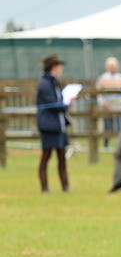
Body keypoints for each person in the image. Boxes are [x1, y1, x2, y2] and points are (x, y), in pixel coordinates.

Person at [36, 55, 74, 192]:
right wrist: (66, 104)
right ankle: (44, 187)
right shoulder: (44, 84)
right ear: (54, 68)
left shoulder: (55, 83)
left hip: (59, 126)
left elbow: (60, 102)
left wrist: (67, 102)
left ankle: (65, 187)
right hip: (49, 126)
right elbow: (53, 105)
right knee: (46, 157)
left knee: (62, 157)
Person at [96, 56, 121, 148]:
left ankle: (120, 144)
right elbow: (98, 92)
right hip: (107, 105)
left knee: (120, 126)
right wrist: (103, 102)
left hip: (118, 105)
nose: (112, 68)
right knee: (107, 127)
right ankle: (106, 145)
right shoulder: (102, 78)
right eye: (110, 66)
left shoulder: (120, 77)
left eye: (113, 66)